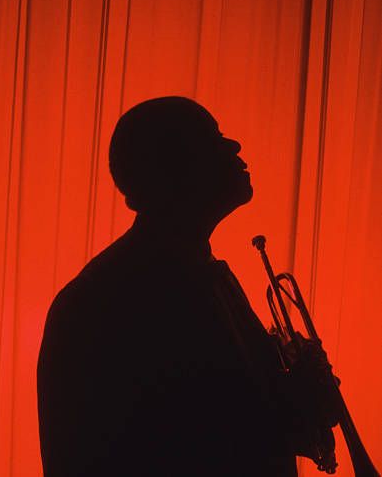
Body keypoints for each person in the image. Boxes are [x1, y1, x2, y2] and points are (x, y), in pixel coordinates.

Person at [37, 96, 337, 476]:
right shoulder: (101, 302)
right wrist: (290, 407)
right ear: (170, 169)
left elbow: (243, 416)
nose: (234, 146)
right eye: (211, 139)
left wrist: (300, 404)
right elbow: (190, 437)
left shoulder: (211, 276)